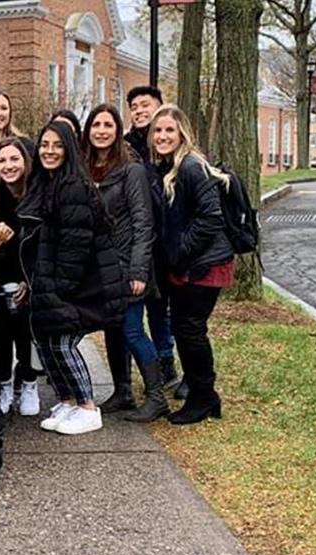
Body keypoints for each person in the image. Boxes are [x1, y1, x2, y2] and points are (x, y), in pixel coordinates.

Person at [20, 121, 125, 436]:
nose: (49, 151)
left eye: (57, 145)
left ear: (68, 150)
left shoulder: (73, 186)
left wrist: (59, 289)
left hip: (84, 284)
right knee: (49, 341)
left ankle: (88, 407)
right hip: (60, 281)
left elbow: (75, 247)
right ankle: (68, 400)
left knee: (64, 343)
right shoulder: (50, 183)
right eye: (44, 145)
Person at [149, 104, 233, 425]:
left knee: (190, 330)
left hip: (204, 266)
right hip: (189, 266)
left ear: (182, 132)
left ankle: (204, 397)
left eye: (169, 130)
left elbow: (211, 217)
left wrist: (182, 253)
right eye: (158, 130)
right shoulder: (170, 167)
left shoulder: (191, 166)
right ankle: (205, 395)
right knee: (186, 330)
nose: (162, 136)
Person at [82, 104, 167, 422]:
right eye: (95, 125)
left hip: (128, 265)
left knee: (132, 330)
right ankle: (123, 391)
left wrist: (139, 270)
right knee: (113, 329)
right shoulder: (86, 169)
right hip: (101, 268)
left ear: (117, 131)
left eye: (108, 125)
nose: (101, 130)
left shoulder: (131, 169)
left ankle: (156, 396)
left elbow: (144, 223)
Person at [124, 86, 185, 398]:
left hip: (167, 244)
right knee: (145, 310)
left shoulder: (171, 145)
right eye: (133, 106)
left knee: (167, 311)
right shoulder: (129, 146)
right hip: (139, 242)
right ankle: (159, 366)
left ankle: (169, 363)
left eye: (145, 104)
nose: (138, 111)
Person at [0, 138, 42, 416]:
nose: (8, 166)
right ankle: (5, 384)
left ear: (26, 161)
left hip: (30, 275)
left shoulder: (37, 194)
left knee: (26, 330)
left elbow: (41, 242)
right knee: (1, 332)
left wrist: (28, 282)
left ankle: (29, 382)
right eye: (2, 160)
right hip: (1, 274)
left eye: (14, 159)